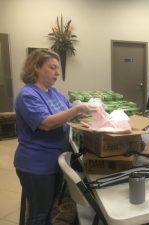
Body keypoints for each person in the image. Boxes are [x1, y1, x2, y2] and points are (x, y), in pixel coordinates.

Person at [14, 49, 95, 225]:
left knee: (50, 209)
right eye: (52, 67)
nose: (57, 73)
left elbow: (69, 111)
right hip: (36, 165)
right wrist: (76, 110)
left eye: (57, 68)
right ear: (36, 67)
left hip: (54, 161)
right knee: (39, 213)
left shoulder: (53, 92)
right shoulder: (27, 95)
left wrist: (86, 112)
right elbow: (46, 123)